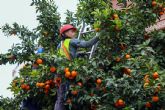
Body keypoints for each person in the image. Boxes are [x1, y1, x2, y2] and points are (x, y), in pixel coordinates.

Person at [54, 24, 99, 110]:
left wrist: (78, 54)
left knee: (60, 98)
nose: (74, 33)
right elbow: (86, 44)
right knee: (75, 96)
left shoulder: (59, 45)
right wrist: (98, 36)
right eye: (71, 31)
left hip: (60, 74)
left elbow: (65, 56)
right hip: (69, 73)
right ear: (65, 33)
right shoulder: (72, 41)